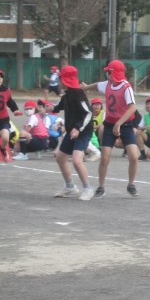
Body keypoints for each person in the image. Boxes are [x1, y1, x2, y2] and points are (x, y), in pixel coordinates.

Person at [81, 59, 139, 198]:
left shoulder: (126, 87)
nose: (106, 74)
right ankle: (101, 187)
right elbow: (96, 86)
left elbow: (132, 107)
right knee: (105, 158)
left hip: (125, 125)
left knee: (133, 156)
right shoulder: (107, 84)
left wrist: (119, 124)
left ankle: (131, 184)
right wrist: (86, 87)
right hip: (109, 125)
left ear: (114, 73)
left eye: (108, 72)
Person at [54, 65, 95, 201]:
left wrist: (77, 128)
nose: (58, 81)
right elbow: (58, 107)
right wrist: (49, 108)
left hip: (83, 131)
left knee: (77, 160)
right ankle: (70, 187)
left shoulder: (78, 94)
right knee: (60, 157)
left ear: (64, 79)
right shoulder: (67, 95)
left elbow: (89, 113)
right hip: (72, 131)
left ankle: (88, 188)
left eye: (60, 78)